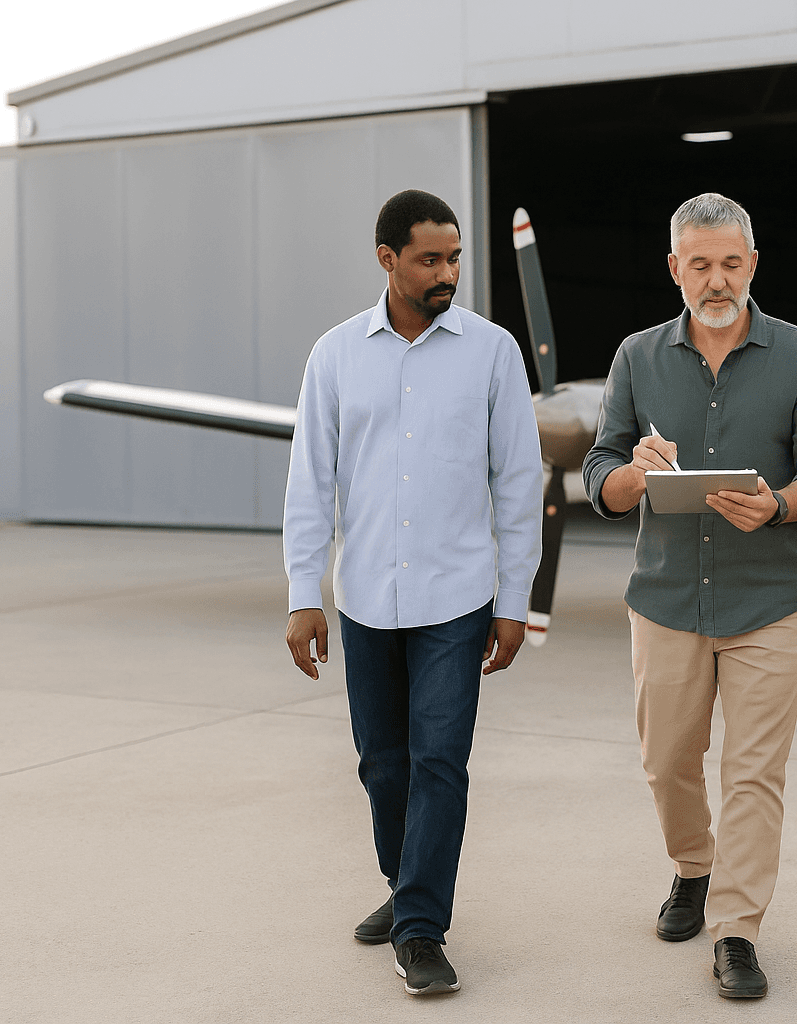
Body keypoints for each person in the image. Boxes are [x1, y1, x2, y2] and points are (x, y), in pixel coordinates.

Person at [582, 193, 797, 1000]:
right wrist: (633, 473)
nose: (717, 278)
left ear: (753, 265)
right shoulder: (637, 357)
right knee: (668, 764)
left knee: (755, 772)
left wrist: (779, 504)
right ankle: (692, 868)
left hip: (769, 600)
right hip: (664, 599)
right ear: (675, 269)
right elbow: (599, 470)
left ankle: (737, 931)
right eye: (700, 264)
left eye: (732, 262)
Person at [282, 189, 543, 996]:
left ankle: (422, 927)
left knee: (440, 761)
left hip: (457, 599)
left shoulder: (493, 352)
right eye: (430, 259)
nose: (447, 273)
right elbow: (308, 483)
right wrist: (303, 593)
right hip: (364, 598)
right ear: (387, 258)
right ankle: (404, 884)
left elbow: (519, 482)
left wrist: (513, 600)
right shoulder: (334, 355)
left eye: (455, 257)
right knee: (381, 763)